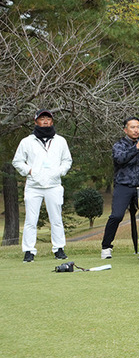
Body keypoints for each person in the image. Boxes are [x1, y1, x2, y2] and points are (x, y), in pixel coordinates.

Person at [12, 109, 73, 263]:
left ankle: (59, 248)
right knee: (31, 220)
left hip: (54, 185)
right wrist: (30, 171)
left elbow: (67, 160)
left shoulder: (60, 141)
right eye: (42, 118)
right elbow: (17, 161)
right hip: (34, 186)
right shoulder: (27, 141)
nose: (45, 121)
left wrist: (59, 171)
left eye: (48, 118)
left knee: (56, 218)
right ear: (35, 122)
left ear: (52, 121)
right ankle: (29, 251)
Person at [101, 117, 139, 259]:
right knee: (117, 215)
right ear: (125, 130)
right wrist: (136, 147)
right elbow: (120, 159)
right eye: (132, 127)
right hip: (124, 184)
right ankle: (106, 247)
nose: (136, 130)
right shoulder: (119, 145)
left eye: (138, 127)